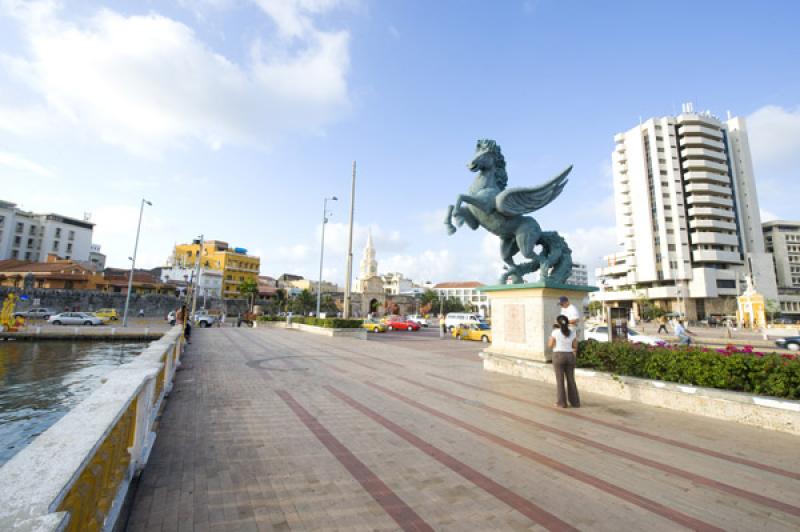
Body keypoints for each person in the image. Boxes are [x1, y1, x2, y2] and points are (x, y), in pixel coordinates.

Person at [547, 315, 580, 408]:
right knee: (571, 379)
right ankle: (575, 402)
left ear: (558, 323)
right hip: (570, 356)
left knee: (560, 380)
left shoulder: (555, 332)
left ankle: (562, 402)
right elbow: (575, 346)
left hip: (558, 356)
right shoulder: (572, 332)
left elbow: (550, 345)